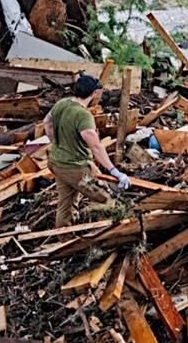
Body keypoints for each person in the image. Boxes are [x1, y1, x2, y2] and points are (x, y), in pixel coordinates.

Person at [43, 74, 131, 228]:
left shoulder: (62, 103)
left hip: (56, 162)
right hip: (75, 167)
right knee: (107, 198)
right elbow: (96, 146)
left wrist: (55, 142)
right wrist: (115, 172)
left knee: (66, 204)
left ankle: (64, 239)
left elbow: (47, 122)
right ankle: (113, 231)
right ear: (94, 93)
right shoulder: (83, 115)